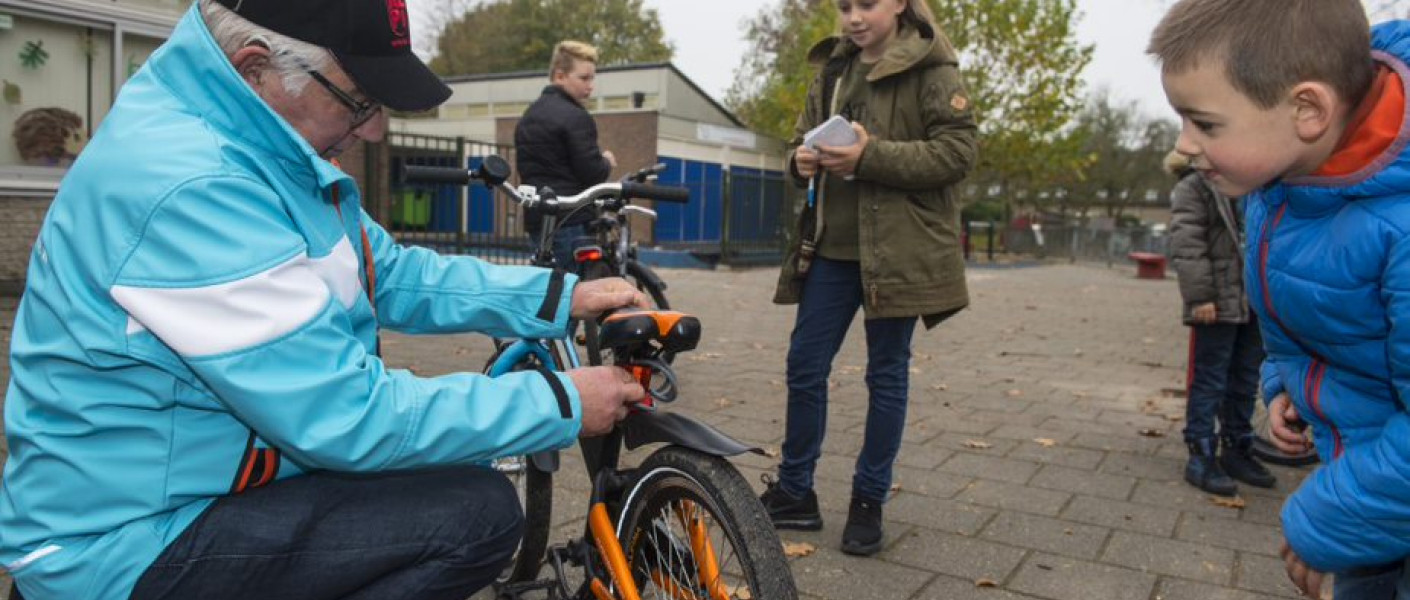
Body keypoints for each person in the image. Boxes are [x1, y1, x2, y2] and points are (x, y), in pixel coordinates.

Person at [0, 2, 649, 599]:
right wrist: (563, 400)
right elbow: (347, 417)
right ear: (258, 69)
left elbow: (389, 274)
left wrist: (562, 294)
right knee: (474, 516)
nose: (373, 131)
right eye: (358, 100)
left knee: (452, 485)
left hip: (202, 485)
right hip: (121, 544)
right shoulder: (192, 186)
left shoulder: (262, 148)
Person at [1150, 1, 1410, 597]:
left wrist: (1326, 520)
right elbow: (1310, 318)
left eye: (1205, 123)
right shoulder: (1286, 179)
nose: (1186, 144)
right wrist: (1287, 385)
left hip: (1373, 496)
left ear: (1307, 109)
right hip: (1369, 480)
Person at [761, 0, 977, 557]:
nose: (853, 17)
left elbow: (957, 153)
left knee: (886, 376)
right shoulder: (833, 68)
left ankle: (868, 501)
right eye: (844, 6)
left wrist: (868, 156)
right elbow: (797, 139)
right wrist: (799, 162)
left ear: (900, 4)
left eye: (866, 5)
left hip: (899, 254)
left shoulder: (935, 69)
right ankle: (795, 492)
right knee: (805, 365)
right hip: (830, 252)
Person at [1165, 150, 1276, 497]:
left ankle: (1237, 447)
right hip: (1217, 301)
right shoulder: (1195, 187)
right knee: (1210, 377)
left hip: (1254, 300)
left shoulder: (1254, 185)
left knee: (1245, 378)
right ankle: (1201, 452)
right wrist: (1200, 298)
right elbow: (1187, 243)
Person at [514, 40, 617, 270]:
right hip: (572, 220)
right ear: (560, 76)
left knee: (547, 291)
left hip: (538, 220)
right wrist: (607, 162)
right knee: (577, 295)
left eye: (592, 78)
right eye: (584, 78)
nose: (590, 85)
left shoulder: (529, 115)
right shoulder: (576, 117)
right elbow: (593, 173)